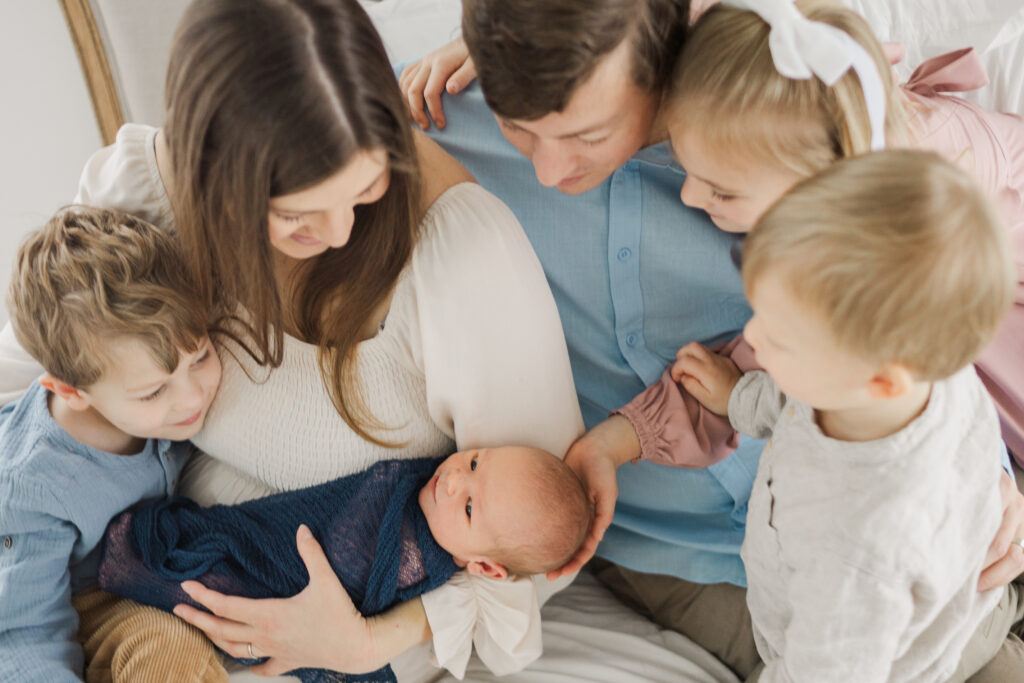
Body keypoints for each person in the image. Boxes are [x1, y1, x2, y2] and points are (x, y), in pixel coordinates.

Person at [395, 0, 1024, 677]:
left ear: (661, 57)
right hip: (688, 556)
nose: (550, 172)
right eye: (521, 131)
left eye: (587, 132)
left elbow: (907, 321)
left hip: (912, 530)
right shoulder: (441, 115)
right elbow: (757, 393)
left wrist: (970, 469)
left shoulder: (785, 128)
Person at [0, 0, 583, 679]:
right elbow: (33, 371)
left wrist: (368, 641)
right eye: (297, 216)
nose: (339, 234)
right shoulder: (147, 195)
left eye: (366, 189)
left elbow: (539, 540)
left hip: (338, 645)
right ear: (213, 180)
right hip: (145, 587)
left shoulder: (466, 261)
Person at [658, 150, 1022, 681]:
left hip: (903, 662)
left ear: (878, 379)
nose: (753, 337)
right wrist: (740, 398)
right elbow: (799, 404)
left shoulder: (857, 548)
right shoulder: (918, 374)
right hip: (950, 600)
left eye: (780, 336)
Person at [662, 0, 1024, 462]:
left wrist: (738, 394)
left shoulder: (909, 213)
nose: (688, 198)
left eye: (722, 191)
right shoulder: (829, 144)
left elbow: (823, 343)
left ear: (817, 177)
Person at [99, 446, 592, 682]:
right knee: (202, 574)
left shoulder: (432, 561)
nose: (454, 481)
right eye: (476, 462)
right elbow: (345, 541)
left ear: (486, 568)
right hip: (264, 553)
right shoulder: (401, 490)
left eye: (468, 507)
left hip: (309, 612)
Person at [0, 207, 226, 682]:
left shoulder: (153, 404)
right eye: (153, 391)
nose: (193, 397)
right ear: (71, 392)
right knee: (167, 655)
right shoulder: (34, 485)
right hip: (77, 598)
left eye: (200, 356)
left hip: (150, 568)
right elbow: (23, 632)